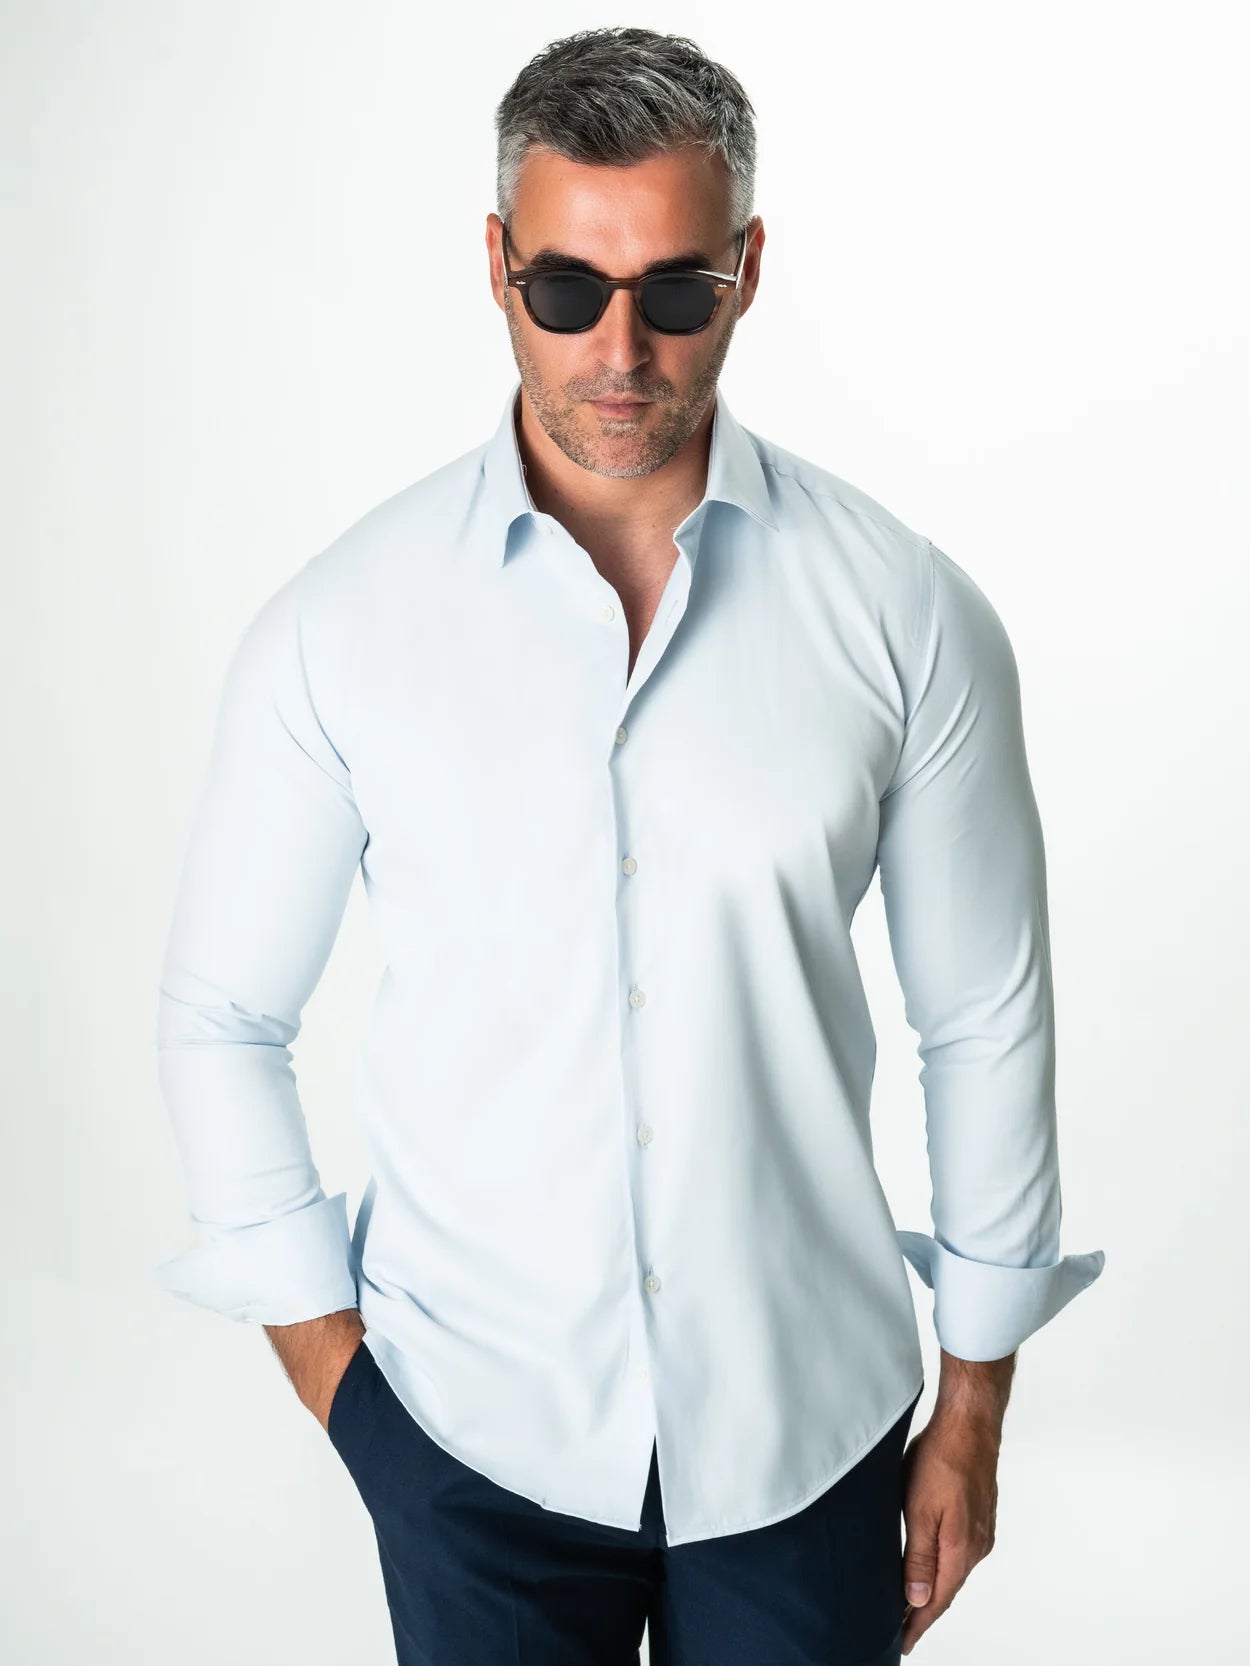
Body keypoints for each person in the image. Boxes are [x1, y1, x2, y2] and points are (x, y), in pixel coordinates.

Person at [151, 25, 1105, 1665]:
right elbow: (222, 1017)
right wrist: (347, 1394)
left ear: (746, 271)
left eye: (672, 290)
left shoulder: (903, 613)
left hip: (807, 1435)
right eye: (563, 288)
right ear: (494, 266)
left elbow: (982, 1019)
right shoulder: (341, 629)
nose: (618, 348)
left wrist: (972, 1401)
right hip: (467, 1438)